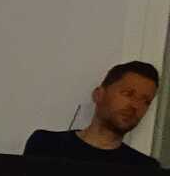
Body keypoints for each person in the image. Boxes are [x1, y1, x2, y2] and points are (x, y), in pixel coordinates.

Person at [25, 63, 161, 170]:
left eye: (146, 101)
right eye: (128, 94)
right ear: (98, 94)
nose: (136, 106)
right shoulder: (46, 145)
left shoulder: (145, 168)